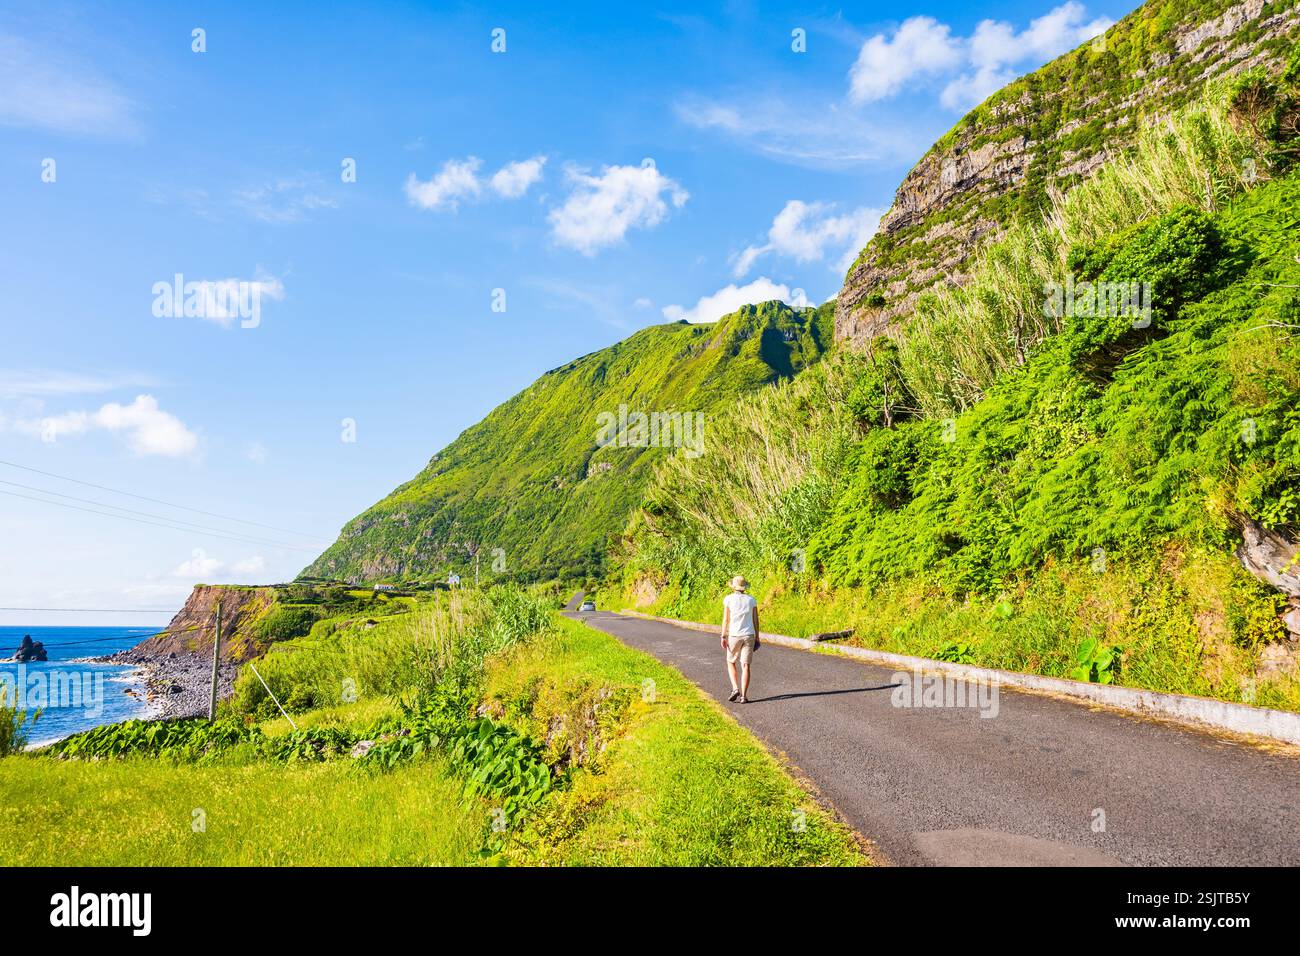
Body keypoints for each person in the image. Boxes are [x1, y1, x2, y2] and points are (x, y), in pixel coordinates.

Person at [720, 575, 760, 703]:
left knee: (730, 661)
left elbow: (726, 619)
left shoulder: (728, 599)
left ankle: (735, 688)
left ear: (733, 587)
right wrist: (757, 637)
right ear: (744, 587)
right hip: (749, 635)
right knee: (746, 665)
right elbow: (755, 620)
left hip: (734, 635)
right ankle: (744, 696)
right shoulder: (751, 600)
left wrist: (723, 635)